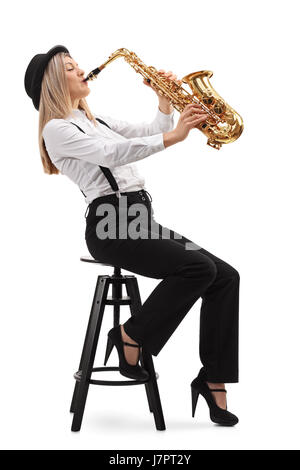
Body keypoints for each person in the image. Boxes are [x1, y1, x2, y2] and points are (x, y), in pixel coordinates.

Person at [24, 45, 240, 426]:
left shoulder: (97, 120)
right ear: (55, 82)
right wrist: (175, 137)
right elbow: (113, 155)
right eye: (72, 68)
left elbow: (147, 133)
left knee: (224, 275)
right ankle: (129, 334)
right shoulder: (57, 130)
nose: (82, 71)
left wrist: (163, 102)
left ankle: (213, 378)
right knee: (196, 269)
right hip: (111, 225)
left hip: (140, 220)